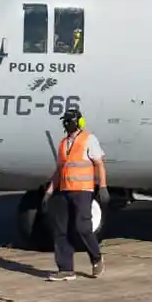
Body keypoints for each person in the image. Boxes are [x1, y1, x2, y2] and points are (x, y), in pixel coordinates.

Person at [43, 106, 108, 280]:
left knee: (82, 227)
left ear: (79, 122)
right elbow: (59, 170)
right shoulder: (63, 143)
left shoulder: (89, 139)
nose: (67, 124)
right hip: (64, 191)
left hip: (83, 191)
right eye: (65, 121)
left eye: (70, 121)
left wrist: (102, 186)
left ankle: (96, 257)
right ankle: (65, 269)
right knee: (61, 230)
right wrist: (49, 192)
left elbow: (99, 163)